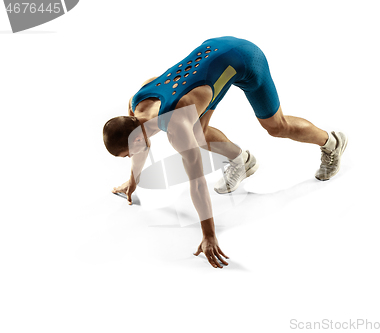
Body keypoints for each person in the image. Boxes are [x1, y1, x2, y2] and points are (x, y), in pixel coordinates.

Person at [102, 36, 347, 268]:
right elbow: (141, 146)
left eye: (127, 155)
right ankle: (243, 162)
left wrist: (209, 235)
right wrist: (133, 180)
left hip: (245, 59)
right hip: (213, 57)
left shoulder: (177, 126)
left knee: (276, 126)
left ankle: (331, 142)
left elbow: (197, 183)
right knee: (199, 133)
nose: (130, 158)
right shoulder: (137, 103)